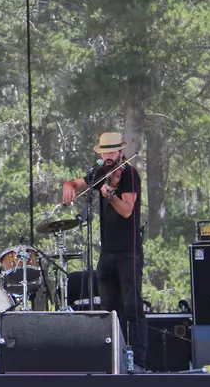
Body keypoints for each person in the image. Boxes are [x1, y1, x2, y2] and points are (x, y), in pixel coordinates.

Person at [62, 132, 147, 370]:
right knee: (109, 307)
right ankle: (114, 357)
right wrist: (68, 185)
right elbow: (79, 183)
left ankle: (139, 361)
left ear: (121, 151)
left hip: (129, 251)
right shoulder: (101, 173)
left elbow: (127, 210)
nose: (109, 157)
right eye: (105, 153)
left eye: (112, 152)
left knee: (133, 307)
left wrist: (110, 195)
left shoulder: (128, 173)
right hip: (107, 252)